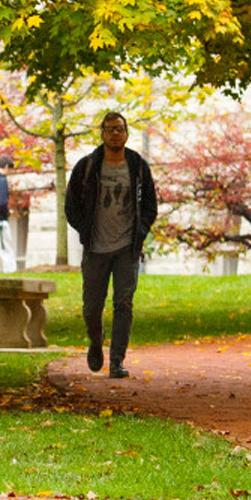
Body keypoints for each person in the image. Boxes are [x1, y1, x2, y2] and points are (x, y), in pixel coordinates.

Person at [63, 112, 158, 379]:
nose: (115, 133)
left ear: (126, 134)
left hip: (126, 248)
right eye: (110, 129)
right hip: (95, 248)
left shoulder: (138, 166)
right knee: (92, 306)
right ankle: (96, 341)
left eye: (120, 129)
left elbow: (150, 205)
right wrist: (85, 231)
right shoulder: (87, 166)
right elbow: (71, 206)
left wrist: (139, 232)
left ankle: (117, 360)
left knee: (123, 304)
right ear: (102, 133)